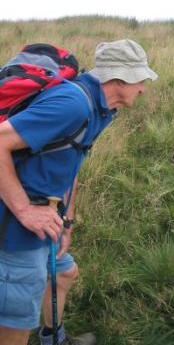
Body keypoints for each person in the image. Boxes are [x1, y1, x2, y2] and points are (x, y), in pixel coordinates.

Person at [0, 39, 158, 345]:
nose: (142, 88)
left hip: (45, 224)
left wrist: (67, 223)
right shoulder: (73, 104)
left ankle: (52, 338)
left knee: (64, 273)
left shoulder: (101, 108)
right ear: (119, 78)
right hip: (14, 231)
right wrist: (24, 210)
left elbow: (68, 163)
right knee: (14, 330)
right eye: (140, 79)